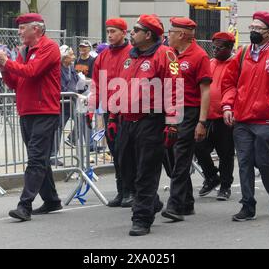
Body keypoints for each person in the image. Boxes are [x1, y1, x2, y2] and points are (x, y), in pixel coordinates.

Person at [221, 11, 269, 221]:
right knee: (245, 162)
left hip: (266, 120)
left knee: (263, 162)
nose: (254, 31)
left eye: (258, 28)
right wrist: (228, 105)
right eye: (252, 27)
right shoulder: (243, 52)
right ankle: (248, 205)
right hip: (242, 120)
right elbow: (229, 83)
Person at [111, 14, 181, 236]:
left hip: (151, 121)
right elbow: (119, 87)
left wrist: (172, 124)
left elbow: (174, 90)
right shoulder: (130, 56)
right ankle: (151, 201)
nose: (132, 33)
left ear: (148, 34)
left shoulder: (166, 55)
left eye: (136, 29)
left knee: (146, 172)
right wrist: (113, 116)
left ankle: (141, 218)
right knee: (126, 168)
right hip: (127, 121)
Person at [0, 13, 62, 221]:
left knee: (36, 159)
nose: (19, 32)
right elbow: (16, 82)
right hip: (27, 111)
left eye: (22, 28)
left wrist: (7, 62)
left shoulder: (50, 48)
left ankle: (25, 205)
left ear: (36, 29)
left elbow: (31, 71)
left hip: (44, 111)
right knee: (40, 158)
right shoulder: (25, 51)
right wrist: (4, 68)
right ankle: (52, 200)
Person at [161, 17, 211, 222]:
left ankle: (175, 205)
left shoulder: (199, 56)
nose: (168, 35)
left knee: (181, 157)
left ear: (181, 35)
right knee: (171, 156)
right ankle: (187, 201)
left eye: (171, 32)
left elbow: (205, 91)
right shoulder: (171, 55)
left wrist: (202, 121)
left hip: (190, 112)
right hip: (172, 112)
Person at [87, 18, 135, 208]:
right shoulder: (103, 56)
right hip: (109, 110)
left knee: (127, 152)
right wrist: (91, 109)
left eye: (113, 31)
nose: (110, 35)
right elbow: (96, 85)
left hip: (128, 110)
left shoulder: (132, 54)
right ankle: (121, 190)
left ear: (123, 33)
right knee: (115, 150)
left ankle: (131, 190)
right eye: (108, 31)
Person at [195, 32, 235, 201]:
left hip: (225, 117)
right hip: (207, 116)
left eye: (220, 47)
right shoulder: (210, 63)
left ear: (229, 48)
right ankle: (212, 176)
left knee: (225, 153)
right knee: (199, 148)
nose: (216, 50)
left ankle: (225, 186)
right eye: (214, 47)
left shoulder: (235, 64)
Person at [50, 44, 79, 166]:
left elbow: (76, 80)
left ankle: (79, 144)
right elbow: (61, 87)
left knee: (82, 121)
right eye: (71, 54)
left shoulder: (71, 67)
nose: (73, 57)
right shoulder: (58, 68)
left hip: (72, 101)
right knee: (57, 128)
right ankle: (52, 155)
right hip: (61, 103)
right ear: (64, 57)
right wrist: (72, 91)